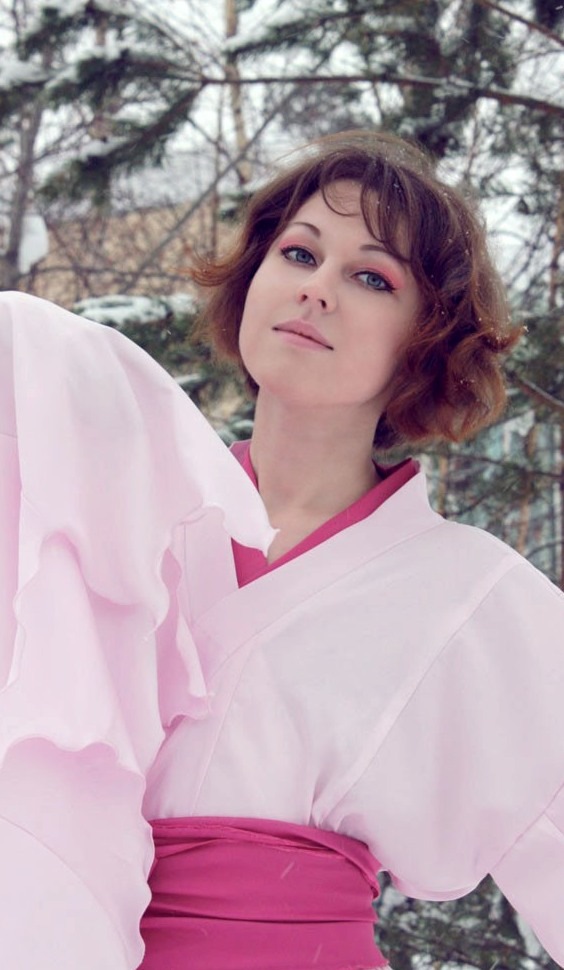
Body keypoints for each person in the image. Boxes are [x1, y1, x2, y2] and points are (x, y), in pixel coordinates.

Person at [0, 131, 562, 970]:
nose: (316, 289)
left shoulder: (474, 597)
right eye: (299, 253)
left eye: (372, 278)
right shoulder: (121, 513)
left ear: (427, 338)